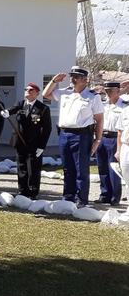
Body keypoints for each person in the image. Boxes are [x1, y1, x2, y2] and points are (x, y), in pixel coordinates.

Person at [43, 66, 104, 206]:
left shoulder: (92, 96)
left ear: (85, 80)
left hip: (82, 135)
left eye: (76, 77)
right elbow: (46, 94)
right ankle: (68, 197)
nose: (72, 79)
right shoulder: (65, 93)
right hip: (65, 133)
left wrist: (97, 139)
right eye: (72, 76)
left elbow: (99, 119)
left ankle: (81, 199)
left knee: (81, 168)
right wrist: (53, 81)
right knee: (67, 167)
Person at [2, 82, 52, 199]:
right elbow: (13, 109)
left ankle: (33, 192)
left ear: (37, 93)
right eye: (26, 89)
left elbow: (47, 129)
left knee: (33, 168)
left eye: (30, 90)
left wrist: (42, 146)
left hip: (34, 143)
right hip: (21, 142)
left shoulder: (43, 108)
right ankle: (22, 191)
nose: (27, 91)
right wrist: (7, 112)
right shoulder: (21, 104)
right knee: (21, 167)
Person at [95, 81, 124, 204]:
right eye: (106, 91)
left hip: (114, 138)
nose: (108, 93)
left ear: (118, 91)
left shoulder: (124, 106)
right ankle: (105, 194)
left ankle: (115, 197)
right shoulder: (102, 105)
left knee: (113, 169)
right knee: (102, 168)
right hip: (101, 137)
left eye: (110, 90)